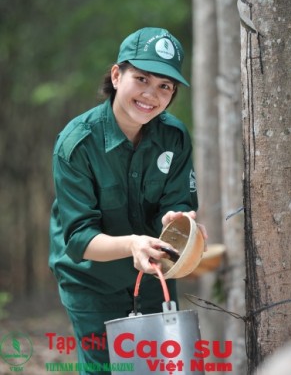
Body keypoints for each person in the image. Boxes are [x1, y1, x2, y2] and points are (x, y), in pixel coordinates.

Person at [49, 27, 207, 373]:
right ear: (117, 75)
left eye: (165, 86)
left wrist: (181, 225)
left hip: (154, 278)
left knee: (161, 368)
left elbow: (177, 204)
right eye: (142, 79)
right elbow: (78, 239)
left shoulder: (174, 137)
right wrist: (132, 243)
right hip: (91, 283)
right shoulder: (77, 144)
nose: (151, 94)